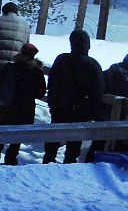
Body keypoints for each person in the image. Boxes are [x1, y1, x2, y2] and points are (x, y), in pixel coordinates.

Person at [44, 29, 104, 164]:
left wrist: (52, 102)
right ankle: (68, 165)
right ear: (87, 45)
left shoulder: (62, 59)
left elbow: (52, 82)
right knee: (74, 141)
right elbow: (97, 91)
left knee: (54, 136)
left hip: (59, 106)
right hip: (80, 109)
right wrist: (95, 111)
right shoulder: (92, 65)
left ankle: (47, 162)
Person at [0, 43, 46, 165]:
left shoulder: (10, 67)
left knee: (2, 129)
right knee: (19, 132)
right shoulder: (37, 72)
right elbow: (40, 92)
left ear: (21, 53)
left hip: (7, 106)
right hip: (26, 108)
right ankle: (11, 156)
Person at [0, 2, 31, 91]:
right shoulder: (25, 25)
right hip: (14, 68)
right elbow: (26, 45)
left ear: (3, 11)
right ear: (17, 12)